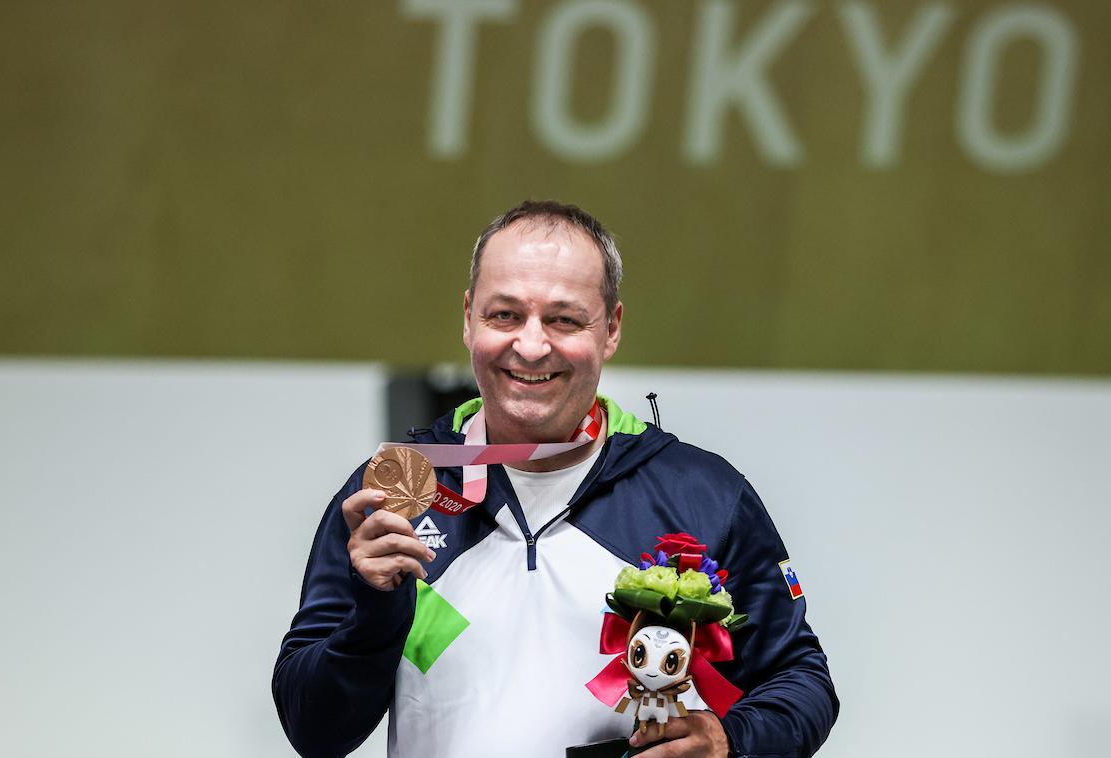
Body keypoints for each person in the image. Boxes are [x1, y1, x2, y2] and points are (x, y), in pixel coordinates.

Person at [273, 200, 838, 757]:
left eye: (564, 319)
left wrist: (729, 741)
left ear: (611, 328)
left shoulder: (699, 493)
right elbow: (314, 731)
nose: (532, 345)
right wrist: (374, 613)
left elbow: (801, 681)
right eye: (505, 315)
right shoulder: (399, 484)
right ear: (468, 319)